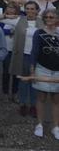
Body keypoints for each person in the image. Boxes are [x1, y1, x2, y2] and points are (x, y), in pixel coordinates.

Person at [9, 1, 43, 117]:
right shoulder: (19, 20)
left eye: (32, 9)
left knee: (34, 81)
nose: (30, 11)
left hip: (37, 57)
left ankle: (33, 105)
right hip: (23, 55)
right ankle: (23, 104)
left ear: (37, 10)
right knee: (23, 81)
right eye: (27, 8)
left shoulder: (42, 22)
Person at [30, 8, 59, 139]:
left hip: (57, 70)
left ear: (57, 19)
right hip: (42, 68)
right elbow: (34, 51)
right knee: (41, 97)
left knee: (56, 99)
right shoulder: (39, 33)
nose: (48, 19)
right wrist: (32, 68)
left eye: (51, 17)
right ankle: (40, 124)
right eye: (46, 17)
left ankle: (55, 126)